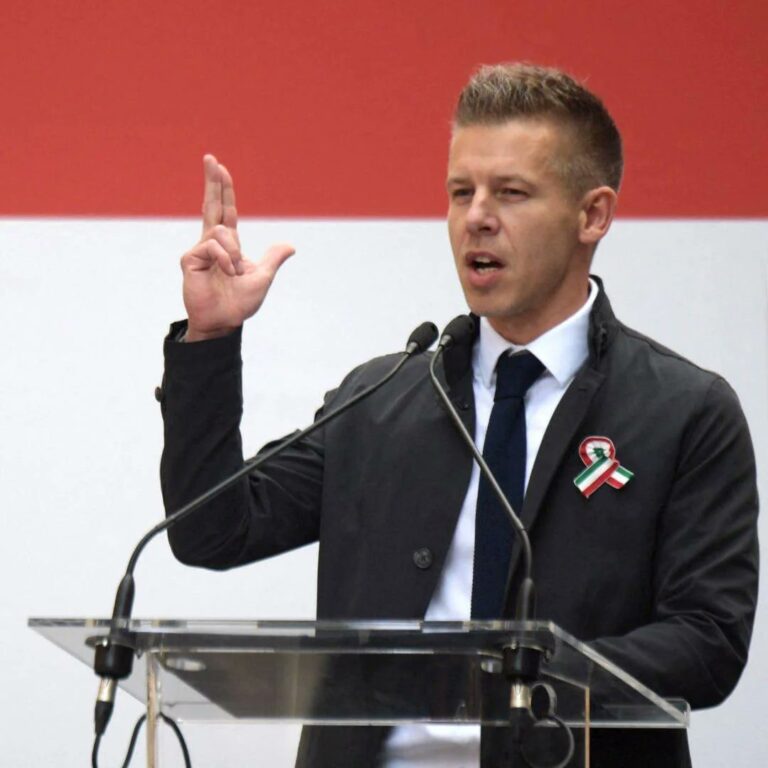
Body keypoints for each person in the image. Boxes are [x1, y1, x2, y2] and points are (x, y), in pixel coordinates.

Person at [157, 64, 759, 767]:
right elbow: (209, 528)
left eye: (511, 192)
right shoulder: (380, 398)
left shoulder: (684, 411)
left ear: (592, 215)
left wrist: (517, 679)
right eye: (461, 192)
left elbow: (708, 641)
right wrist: (211, 339)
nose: (477, 216)